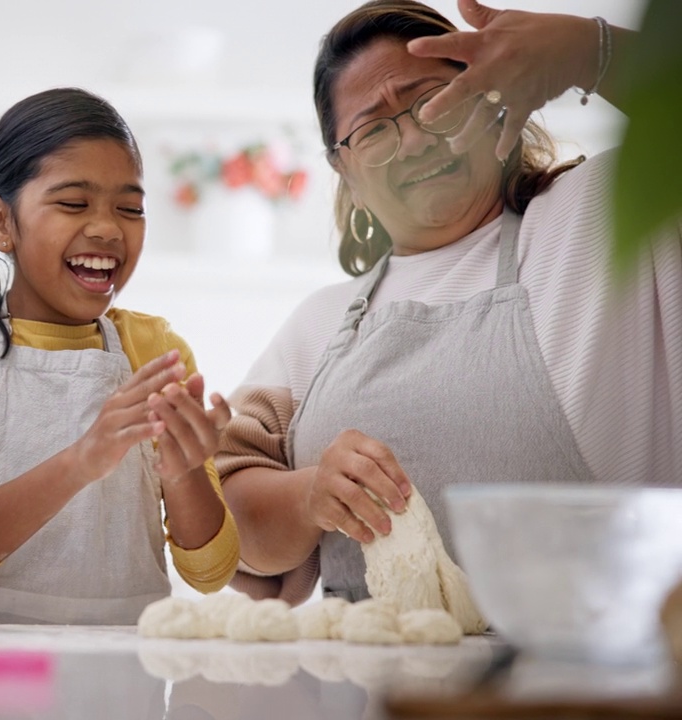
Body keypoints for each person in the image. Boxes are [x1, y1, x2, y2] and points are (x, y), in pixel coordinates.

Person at [217, 0, 680, 604]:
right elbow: (226, 520)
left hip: (594, 683)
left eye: (432, 102)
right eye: (374, 129)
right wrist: (309, 497)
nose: (413, 140)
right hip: (368, 691)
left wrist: (590, 53)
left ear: (493, 99)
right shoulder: (320, 326)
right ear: (345, 171)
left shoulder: (600, 215)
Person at [0, 88, 240, 624]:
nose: (107, 228)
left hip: (128, 681)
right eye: (74, 203)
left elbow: (211, 572)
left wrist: (185, 472)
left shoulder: (158, 350)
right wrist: (81, 462)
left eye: (130, 208)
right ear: (0, 223)